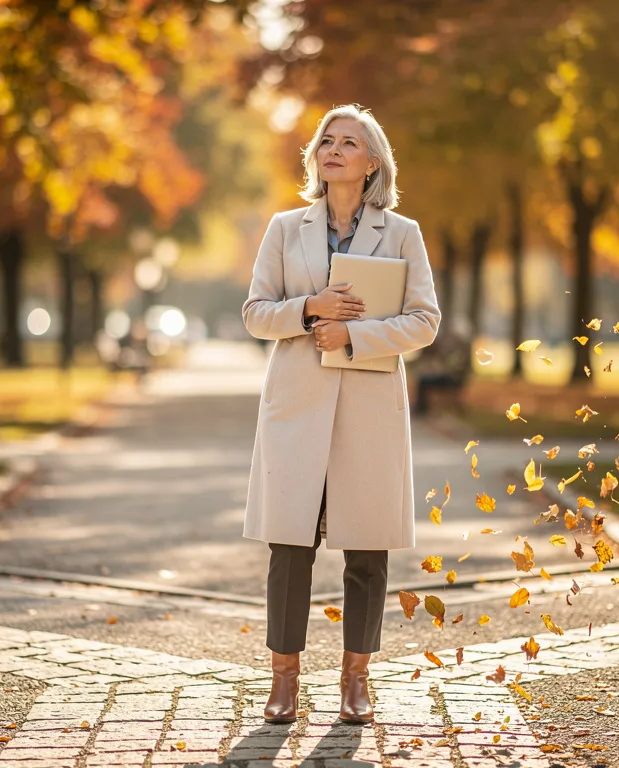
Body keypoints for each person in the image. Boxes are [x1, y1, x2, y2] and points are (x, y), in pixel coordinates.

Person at [240, 104, 441, 725]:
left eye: (348, 142)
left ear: (371, 162)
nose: (332, 149)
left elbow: (425, 321)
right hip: (296, 405)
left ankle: (356, 681)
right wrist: (310, 308)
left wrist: (354, 337)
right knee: (289, 545)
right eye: (326, 140)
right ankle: (285, 683)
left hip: (369, 406)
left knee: (366, 547)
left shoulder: (402, 232)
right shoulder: (283, 227)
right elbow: (255, 314)